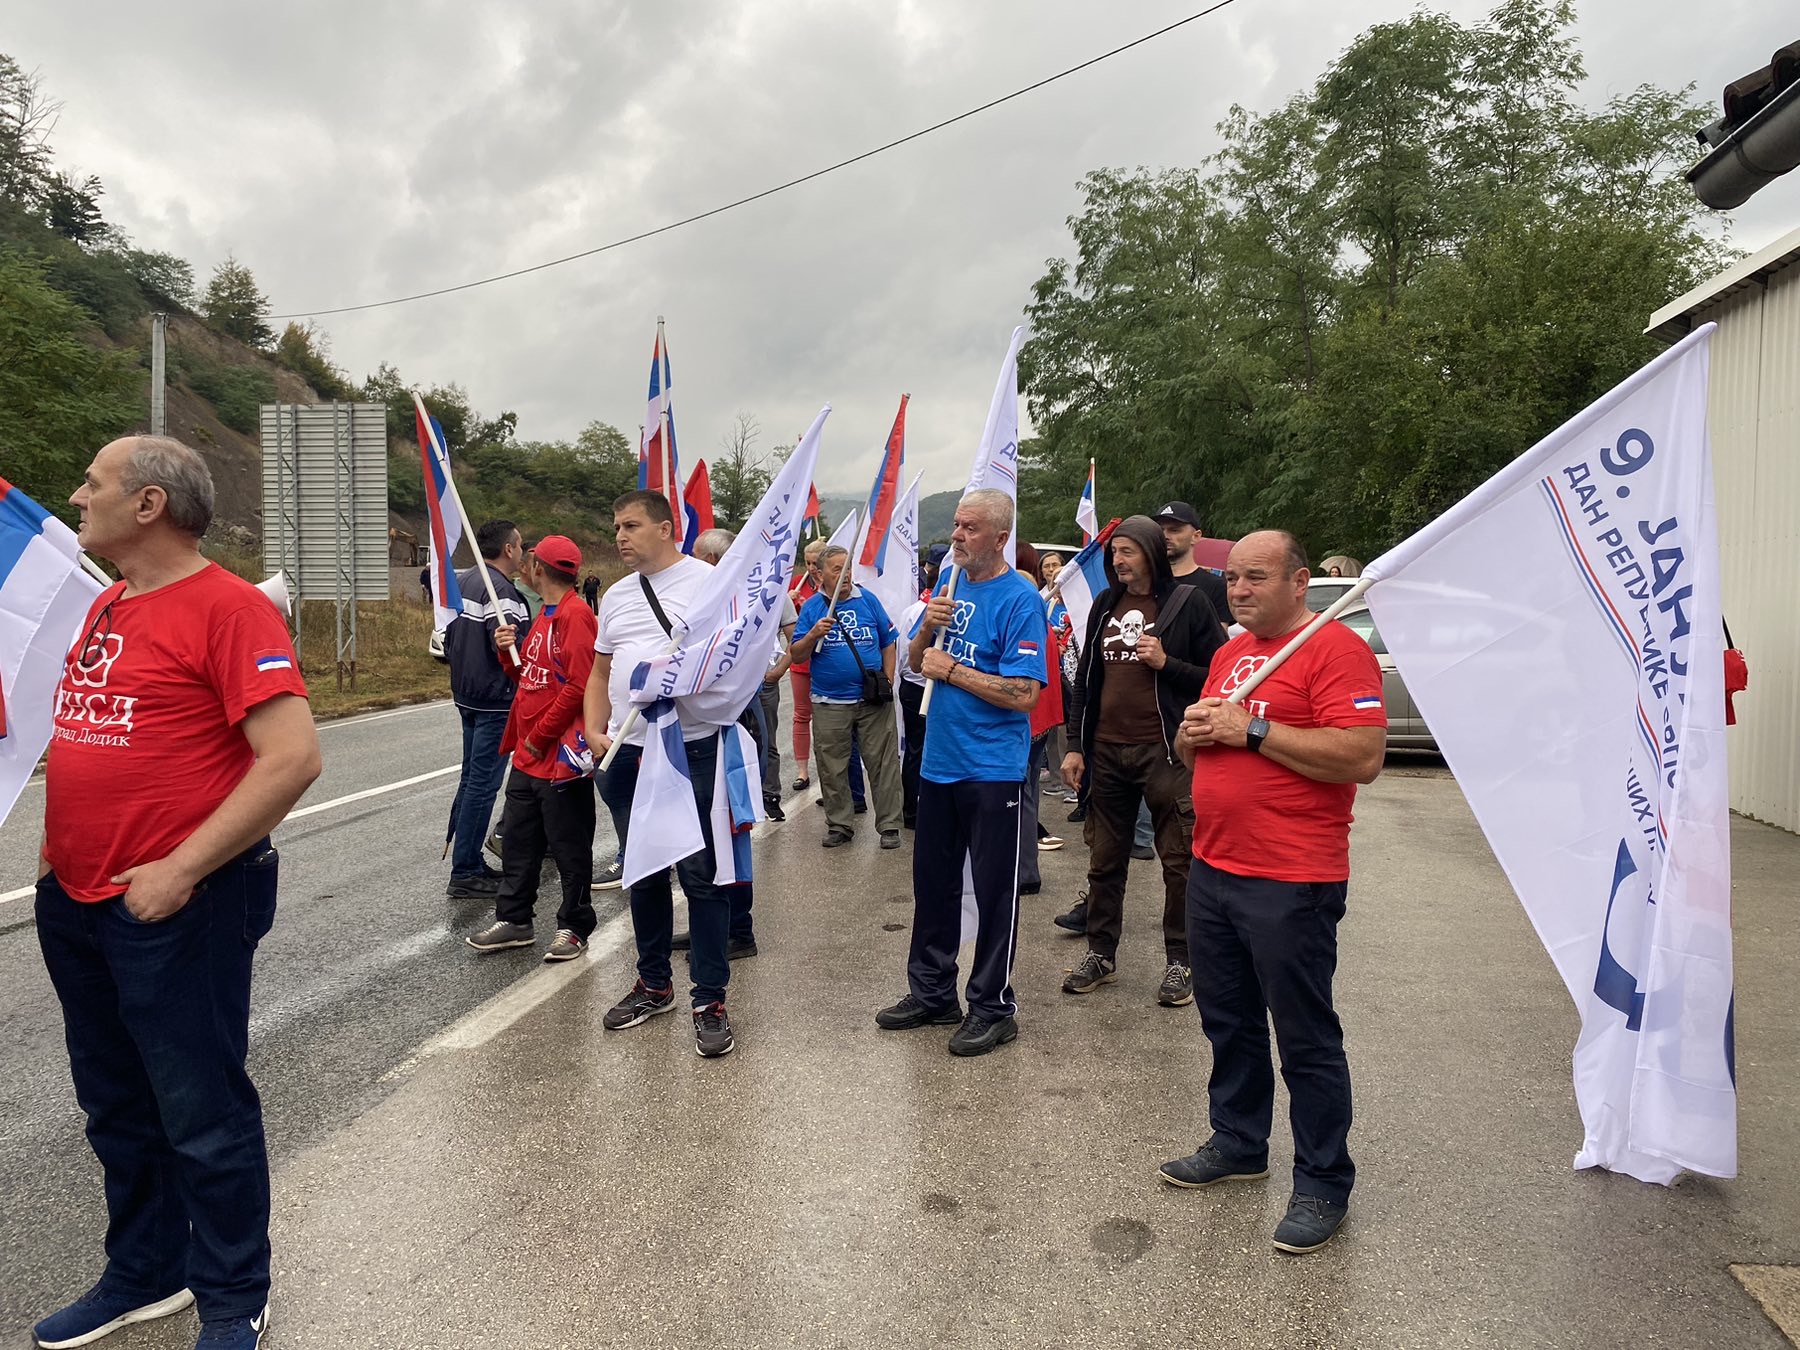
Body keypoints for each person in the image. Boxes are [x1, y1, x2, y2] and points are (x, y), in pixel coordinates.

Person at [33, 436, 321, 1350]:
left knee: (201, 1109)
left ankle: (234, 1292)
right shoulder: (110, 603)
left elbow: (293, 760)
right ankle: (146, 1273)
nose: (77, 495)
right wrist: (53, 855)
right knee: (115, 1103)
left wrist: (181, 869)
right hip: (75, 898)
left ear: (150, 504)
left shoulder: (230, 610)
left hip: (175, 906)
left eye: (93, 482)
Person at [1160, 529, 1386, 1256]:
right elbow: (1199, 740)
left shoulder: (1334, 649)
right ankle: (1239, 1142)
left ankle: (1323, 1182)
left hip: (1292, 878)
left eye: (1257, 578)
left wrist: (1251, 727)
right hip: (1215, 868)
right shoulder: (1230, 654)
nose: (1241, 590)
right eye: (1234, 580)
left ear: (1299, 581)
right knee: (1229, 1022)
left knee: (1306, 1037)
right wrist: (1194, 735)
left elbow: (1362, 755)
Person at [876, 489, 1045, 1057]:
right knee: (934, 887)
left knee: (996, 893)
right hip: (941, 763)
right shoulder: (948, 587)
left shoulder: (1021, 598)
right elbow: (916, 661)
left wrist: (954, 669)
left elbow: (1023, 694)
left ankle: (993, 1006)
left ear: (1000, 538)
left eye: (970, 528)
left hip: (992, 768)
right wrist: (927, 630)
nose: (956, 536)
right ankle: (931, 993)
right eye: (955, 525)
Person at [586, 491, 737, 1057]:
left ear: (666, 528)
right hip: (626, 753)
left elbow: (738, 664)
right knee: (643, 871)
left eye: (631, 525)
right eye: (616, 526)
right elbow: (600, 673)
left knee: (701, 877)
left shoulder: (710, 585)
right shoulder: (618, 596)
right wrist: (595, 731)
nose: (621, 536)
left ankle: (710, 998)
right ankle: (654, 983)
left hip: (691, 749)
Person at [1057, 516, 1224, 1006]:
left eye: (1127, 551)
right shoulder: (1106, 604)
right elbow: (1085, 678)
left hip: (1166, 753)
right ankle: (1101, 954)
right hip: (1107, 752)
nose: (1118, 561)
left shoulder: (1187, 603)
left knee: (1179, 862)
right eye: (1115, 553)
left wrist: (1165, 663)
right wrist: (1074, 745)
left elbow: (1220, 675)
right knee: (1104, 860)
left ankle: (1181, 961)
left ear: (1150, 552)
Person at [465, 536, 598, 961]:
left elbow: (580, 685)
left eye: (530, 558)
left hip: (559, 755)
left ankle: (574, 925)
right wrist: (507, 654)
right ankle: (515, 918)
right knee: (520, 841)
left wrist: (539, 736)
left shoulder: (576, 615)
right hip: (529, 754)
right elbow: (532, 675)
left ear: (539, 567)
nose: (524, 563)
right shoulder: (546, 613)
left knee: (569, 843)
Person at [792, 544, 904, 848]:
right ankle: (840, 824)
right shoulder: (814, 607)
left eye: (848, 567)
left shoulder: (868, 600)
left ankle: (890, 826)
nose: (845, 573)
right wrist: (814, 634)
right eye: (837, 569)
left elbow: (888, 641)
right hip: (829, 702)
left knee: (883, 763)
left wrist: (888, 680)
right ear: (820, 573)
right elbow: (796, 653)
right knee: (832, 765)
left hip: (871, 701)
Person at [443, 519, 529, 898]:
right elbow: (514, 646)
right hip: (496, 699)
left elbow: (445, 636)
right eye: (521, 545)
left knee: (470, 779)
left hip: (466, 694)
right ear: (509, 549)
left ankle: (470, 861)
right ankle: (465, 870)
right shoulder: (501, 591)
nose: (523, 552)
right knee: (483, 785)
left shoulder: (461, 582)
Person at [1155, 501, 1229, 632]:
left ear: (1196, 536)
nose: (1165, 536)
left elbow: (1216, 643)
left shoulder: (1216, 587)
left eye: (1174, 530)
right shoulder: (1145, 583)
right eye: (1160, 530)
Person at [787, 538, 825, 790]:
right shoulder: (796, 584)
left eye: (816, 563)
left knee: (825, 719)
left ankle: (827, 776)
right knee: (801, 715)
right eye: (808, 562)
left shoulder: (833, 586)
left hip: (826, 660)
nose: (811, 568)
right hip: (801, 661)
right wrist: (788, 602)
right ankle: (802, 771)